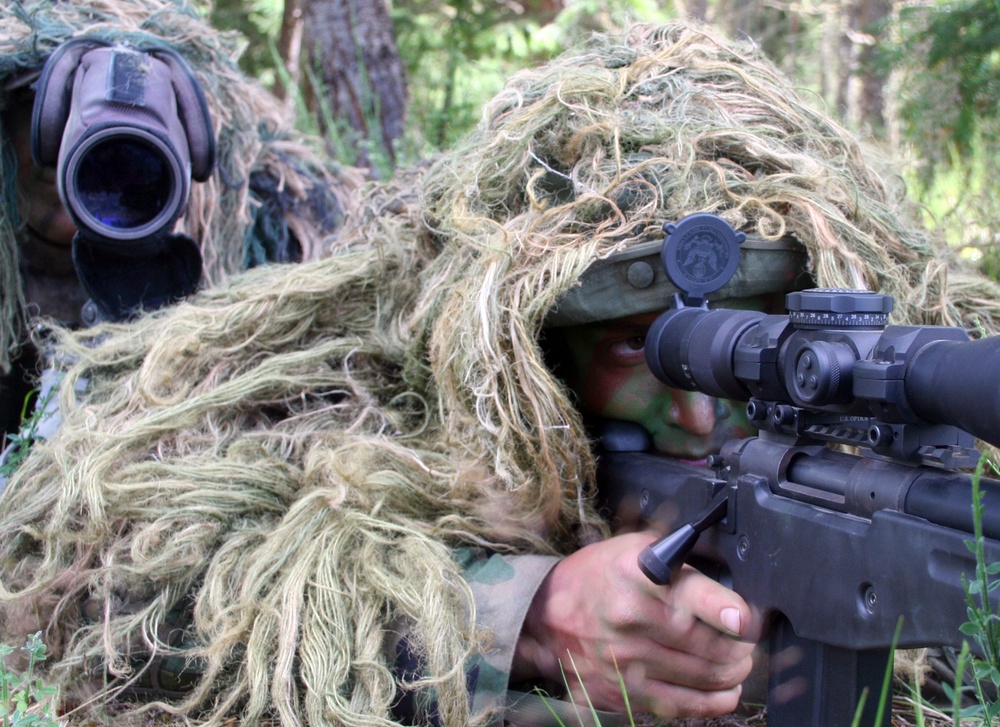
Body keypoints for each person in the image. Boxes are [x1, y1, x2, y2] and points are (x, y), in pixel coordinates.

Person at [1, 20, 999, 727]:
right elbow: (117, 573)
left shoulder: (905, 418)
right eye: (635, 347)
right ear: (528, 352)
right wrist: (524, 615)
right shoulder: (395, 378)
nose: (700, 405)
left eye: (764, 346)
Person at [0, 0, 363, 437]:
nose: (73, 147)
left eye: (132, 139)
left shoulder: (268, 232)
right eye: (52, 107)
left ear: (191, 143)